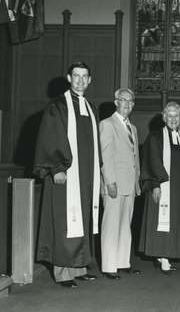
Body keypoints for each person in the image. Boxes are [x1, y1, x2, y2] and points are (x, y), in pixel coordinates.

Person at [34, 62, 101, 288]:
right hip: (65, 174)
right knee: (65, 221)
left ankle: (79, 267)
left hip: (85, 177)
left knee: (81, 220)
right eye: (76, 76)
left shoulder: (91, 107)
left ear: (90, 80)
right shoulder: (58, 106)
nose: (80, 80)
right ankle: (63, 272)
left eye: (85, 76)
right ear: (69, 78)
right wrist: (57, 168)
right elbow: (51, 137)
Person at [139, 102, 180, 273]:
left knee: (175, 222)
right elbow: (152, 161)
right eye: (169, 115)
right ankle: (163, 258)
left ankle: (169, 255)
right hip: (163, 188)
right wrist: (155, 184)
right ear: (164, 118)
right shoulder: (155, 137)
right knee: (161, 222)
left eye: (176, 115)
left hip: (179, 190)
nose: (173, 119)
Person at [99, 88, 141, 280]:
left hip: (130, 184)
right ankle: (109, 265)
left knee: (125, 224)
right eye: (123, 100)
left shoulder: (133, 128)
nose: (127, 104)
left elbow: (135, 159)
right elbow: (105, 156)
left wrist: (137, 183)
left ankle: (123, 262)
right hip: (114, 183)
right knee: (111, 224)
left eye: (131, 101)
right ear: (116, 102)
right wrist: (110, 182)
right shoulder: (107, 124)